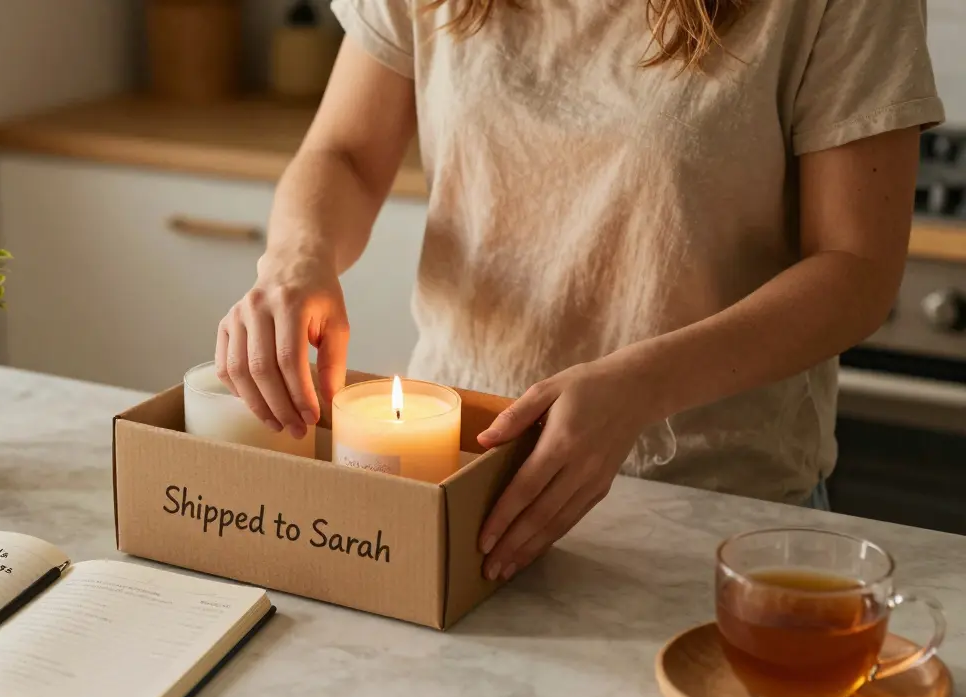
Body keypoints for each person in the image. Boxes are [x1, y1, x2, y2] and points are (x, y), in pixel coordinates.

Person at [214, 0, 944, 582]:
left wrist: (640, 386)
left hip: (709, 514)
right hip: (464, 481)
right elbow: (342, 153)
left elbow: (856, 267)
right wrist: (297, 258)